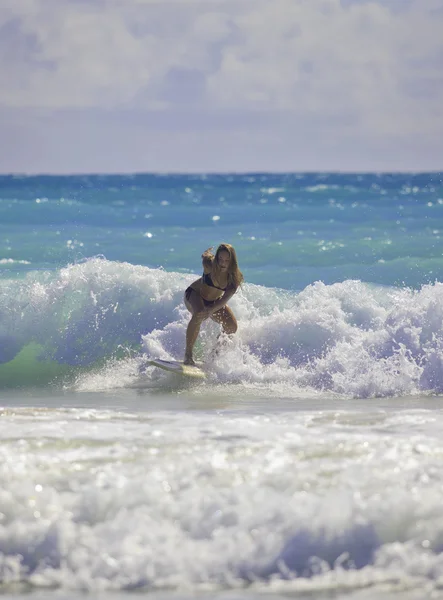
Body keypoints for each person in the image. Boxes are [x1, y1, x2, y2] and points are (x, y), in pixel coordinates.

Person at [183, 243, 243, 365]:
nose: (223, 263)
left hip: (214, 302)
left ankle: (213, 356)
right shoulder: (209, 264)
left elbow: (224, 300)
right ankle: (188, 354)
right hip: (194, 294)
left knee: (232, 327)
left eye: (227, 260)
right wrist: (206, 253)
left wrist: (211, 309)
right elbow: (205, 256)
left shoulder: (234, 278)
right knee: (199, 313)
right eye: (220, 259)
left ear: (232, 261)